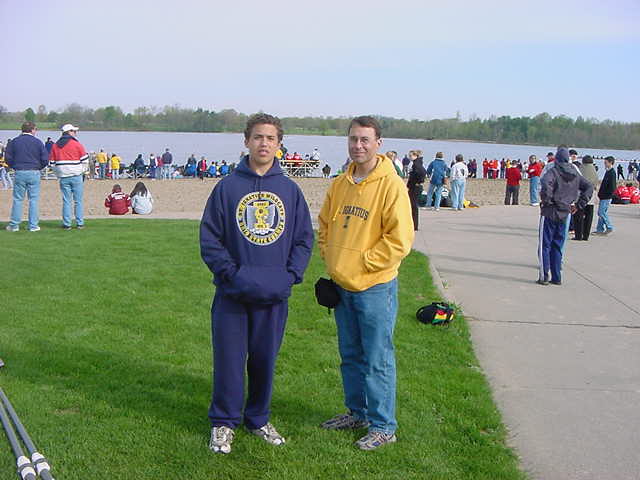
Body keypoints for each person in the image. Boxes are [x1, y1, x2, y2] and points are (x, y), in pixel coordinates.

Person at [200, 113, 313, 455]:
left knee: (264, 360)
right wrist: (231, 274)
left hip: (273, 296)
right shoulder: (227, 187)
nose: (264, 143)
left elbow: (304, 240)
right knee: (229, 361)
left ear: (279, 145)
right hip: (233, 294)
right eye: (258, 137)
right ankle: (223, 422)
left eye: (271, 138)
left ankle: (258, 417)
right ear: (246, 141)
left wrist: (289, 275)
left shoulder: (290, 191)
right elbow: (210, 239)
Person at [318, 116, 413, 451]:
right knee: (350, 355)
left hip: (375, 288)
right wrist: (331, 259)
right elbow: (325, 225)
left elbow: (400, 240)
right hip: (341, 286)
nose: (358, 145)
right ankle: (357, 413)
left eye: (365, 140)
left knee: (376, 359)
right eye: (353, 139)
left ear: (378, 143)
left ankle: (384, 426)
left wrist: (362, 264)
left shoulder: (391, 184)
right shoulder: (340, 183)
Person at [537, 147, 593, 285]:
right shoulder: (575, 172)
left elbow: (544, 183)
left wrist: (547, 200)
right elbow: (589, 187)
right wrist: (579, 204)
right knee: (557, 244)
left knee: (545, 244)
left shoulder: (553, 171)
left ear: (556, 159)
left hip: (551, 211)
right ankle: (556, 276)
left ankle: (544, 276)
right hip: (565, 212)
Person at [4, 122, 49, 232]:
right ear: (33, 130)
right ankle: (33, 225)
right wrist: (39, 167)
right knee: (33, 200)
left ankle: (14, 225)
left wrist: (14, 166)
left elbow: (8, 158)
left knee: (18, 199)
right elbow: (45, 159)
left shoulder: (14, 142)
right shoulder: (38, 142)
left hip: (19, 171)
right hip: (34, 171)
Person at [49, 124, 89, 230]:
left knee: (66, 201)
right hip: (76, 176)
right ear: (70, 132)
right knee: (78, 201)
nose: (75, 133)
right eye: (74, 131)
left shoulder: (55, 145)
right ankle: (80, 223)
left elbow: (52, 164)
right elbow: (85, 161)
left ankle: (67, 224)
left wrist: (59, 174)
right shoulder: (77, 144)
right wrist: (81, 171)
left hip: (63, 176)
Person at [573, 155, 598, 241]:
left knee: (578, 216)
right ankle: (586, 235)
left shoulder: (581, 168)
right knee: (589, 216)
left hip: (581, 195)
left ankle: (578, 235)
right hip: (591, 196)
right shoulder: (594, 170)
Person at [594, 156, 616, 236]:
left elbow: (612, 187)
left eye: (606, 162)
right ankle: (599, 229)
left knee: (601, 212)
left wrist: (606, 195)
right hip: (603, 196)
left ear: (610, 163)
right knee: (602, 213)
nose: (604, 164)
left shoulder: (612, 173)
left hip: (607, 197)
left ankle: (609, 226)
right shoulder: (608, 171)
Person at [406, 153, 426, 230]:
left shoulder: (416, 164)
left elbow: (422, 172)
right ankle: (413, 224)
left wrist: (419, 181)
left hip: (415, 186)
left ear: (415, 156)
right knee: (412, 205)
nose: (409, 157)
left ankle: (414, 225)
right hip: (413, 186)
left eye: (411, 156)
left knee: (413, 205)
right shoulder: (416, 163)